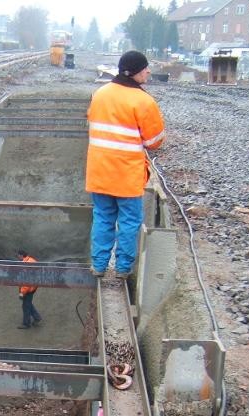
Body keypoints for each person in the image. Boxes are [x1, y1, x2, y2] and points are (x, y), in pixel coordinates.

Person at [86, 50, 165, 279]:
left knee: (102, 217)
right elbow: (154, 142)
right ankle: (122, 268)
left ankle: (99, 265)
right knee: (129, 222)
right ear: (134, 72)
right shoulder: (143, 101)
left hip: (99, 172)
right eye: (145, 68)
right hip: (126, 175)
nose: (148, 71)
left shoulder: (100, 94)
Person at [16, 250, 42, 329]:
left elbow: (26, 281)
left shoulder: (25, 264)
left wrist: (22, 293)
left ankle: (26, 324)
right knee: (28, 303)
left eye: (18, 256)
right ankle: (37, 318)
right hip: (33, 287)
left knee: (25, 306)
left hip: (28, 289)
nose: (17, 257)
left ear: (21, 255)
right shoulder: (31, 260)